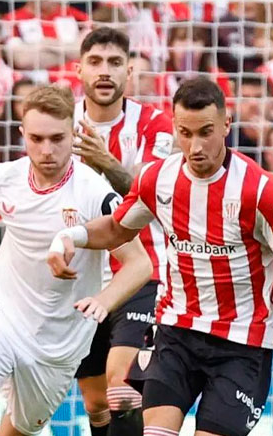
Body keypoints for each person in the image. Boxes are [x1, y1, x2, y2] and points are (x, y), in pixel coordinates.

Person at [47, 78, 273, 436]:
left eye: (206, 132)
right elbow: (118, 228)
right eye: (185, 133)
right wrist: (71, 236)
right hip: (177, 332)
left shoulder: (260, 191)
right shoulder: (157, 178)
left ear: (226, 125)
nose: (195, 146)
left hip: (241, 344)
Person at [0, 85, 154, 436]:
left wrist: (103, 300)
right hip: (2, 315)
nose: (47, 150)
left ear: (73, 134)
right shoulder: (3, 178)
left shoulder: (94, 192)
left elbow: (140, 263)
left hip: (59, 341)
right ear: (22, 134)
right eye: (37, 139)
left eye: (57, 138)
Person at [70, 26, 175, 436]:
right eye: (95, 62)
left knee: (122, 387)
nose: (105, 71)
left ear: (129, 71)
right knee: (96, 402)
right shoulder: (62, 125)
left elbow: (152, 196)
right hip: (81, 275)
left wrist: (107, 162)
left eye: (115, 62)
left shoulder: (154, 125)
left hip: (142, 273)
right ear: (79, 69)